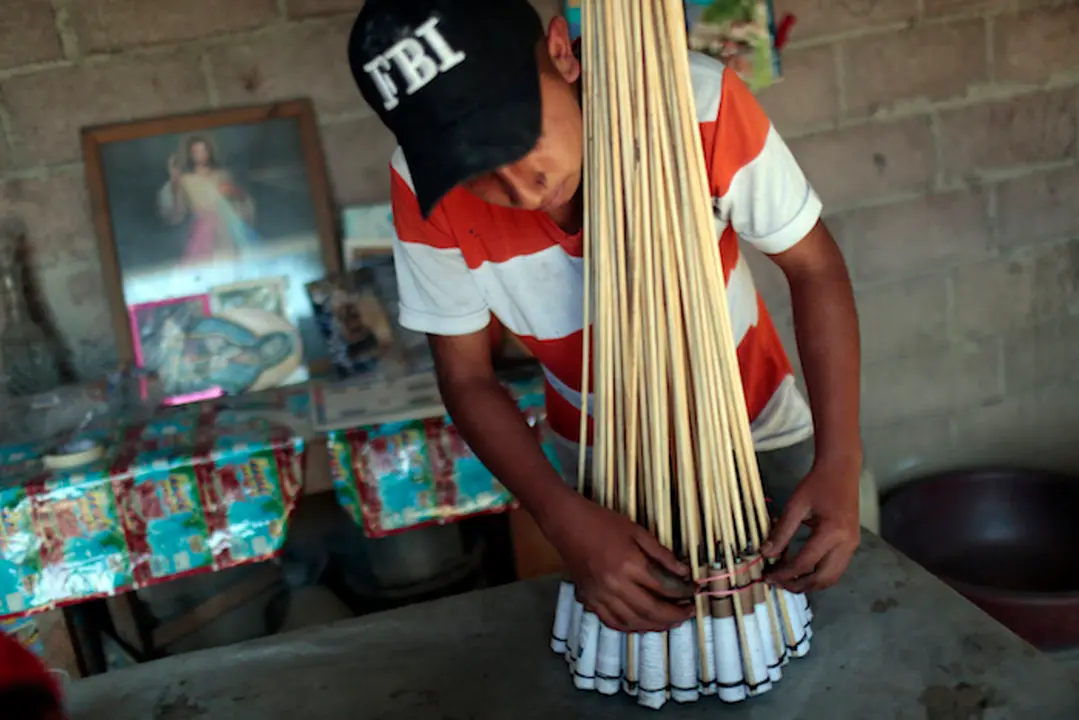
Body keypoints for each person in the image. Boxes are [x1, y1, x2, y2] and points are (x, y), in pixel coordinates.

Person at [348, 0, 863, 634]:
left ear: (563, 54)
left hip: (755, 431)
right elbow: (466, 376)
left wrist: (840, 460)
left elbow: (815, 268)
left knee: (809, 639)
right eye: (473, 168)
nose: (519, 187)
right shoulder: (421, 192)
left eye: (518, 135)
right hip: (599, 467)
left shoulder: (693, 104)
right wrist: (559, 515)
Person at [158, 135, 259, 265]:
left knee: (232, 262)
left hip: (227, 227)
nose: (200, 155)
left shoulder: (222, 175)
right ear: (190, 154)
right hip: (202, 231)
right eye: (196, 151)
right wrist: (175, 182)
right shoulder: (186, 180)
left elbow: (241, 202)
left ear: (209, 152)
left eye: (203, 150)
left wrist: (234, 193)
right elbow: (177, 213)